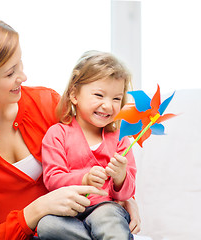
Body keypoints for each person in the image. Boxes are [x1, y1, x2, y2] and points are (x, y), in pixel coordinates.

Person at [0, 15, 141, 240]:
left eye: (20, 64)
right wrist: (36, 211)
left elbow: (95, 150)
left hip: (83, 223)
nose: (23, 76)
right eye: (10, 73)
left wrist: (122, 197)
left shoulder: (48, 104)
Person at [38, 50, 136, 240]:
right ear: (74, 94)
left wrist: (120, 176)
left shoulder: (121, 138)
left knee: (107, 218)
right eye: (99, 95)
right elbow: (52, 179)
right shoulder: (58, 134)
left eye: (116, 98)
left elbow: (127, 192)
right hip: (66, 210)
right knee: (47, 225)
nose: (108, 105)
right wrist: (84, 178)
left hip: (104, 207)